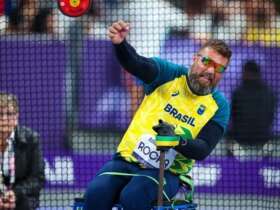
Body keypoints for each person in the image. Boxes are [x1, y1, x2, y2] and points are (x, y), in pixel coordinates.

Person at [84, 20, 232, 210]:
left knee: (132, 197)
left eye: (219, 68)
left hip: (167, 173)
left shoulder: (219, 106)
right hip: (126, 160)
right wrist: (121, 45)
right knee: (96, 195)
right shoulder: (168, 74)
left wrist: (175, 140)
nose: (211, 70)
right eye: (206, 62)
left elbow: (203, 148)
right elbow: (135, 63)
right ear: (195, 59)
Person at [0, 92, 45, 210]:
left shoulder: (31, 139)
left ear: (16, 117)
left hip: (22, 202)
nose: (4, 118)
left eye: (9, 114)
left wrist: (15, 194)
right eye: (0, 114)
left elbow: (37, 179)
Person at [227, 60, 277, 158]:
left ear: (247, 72)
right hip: (263, 139)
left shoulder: (239, 93)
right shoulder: (269, 93)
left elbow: (234, 117)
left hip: (241, 139)